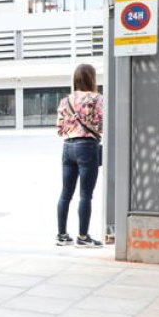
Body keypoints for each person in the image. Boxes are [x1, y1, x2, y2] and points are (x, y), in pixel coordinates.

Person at [55, 64, 104, 247]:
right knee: (85, 195)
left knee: (65, 193)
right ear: (92, 78)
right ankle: (83, 237)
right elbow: (102, 124)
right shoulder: (97, 98)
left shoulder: (65, 100)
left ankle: (61, 236)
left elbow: (60, 129)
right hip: (87, 147)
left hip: (67, 147)